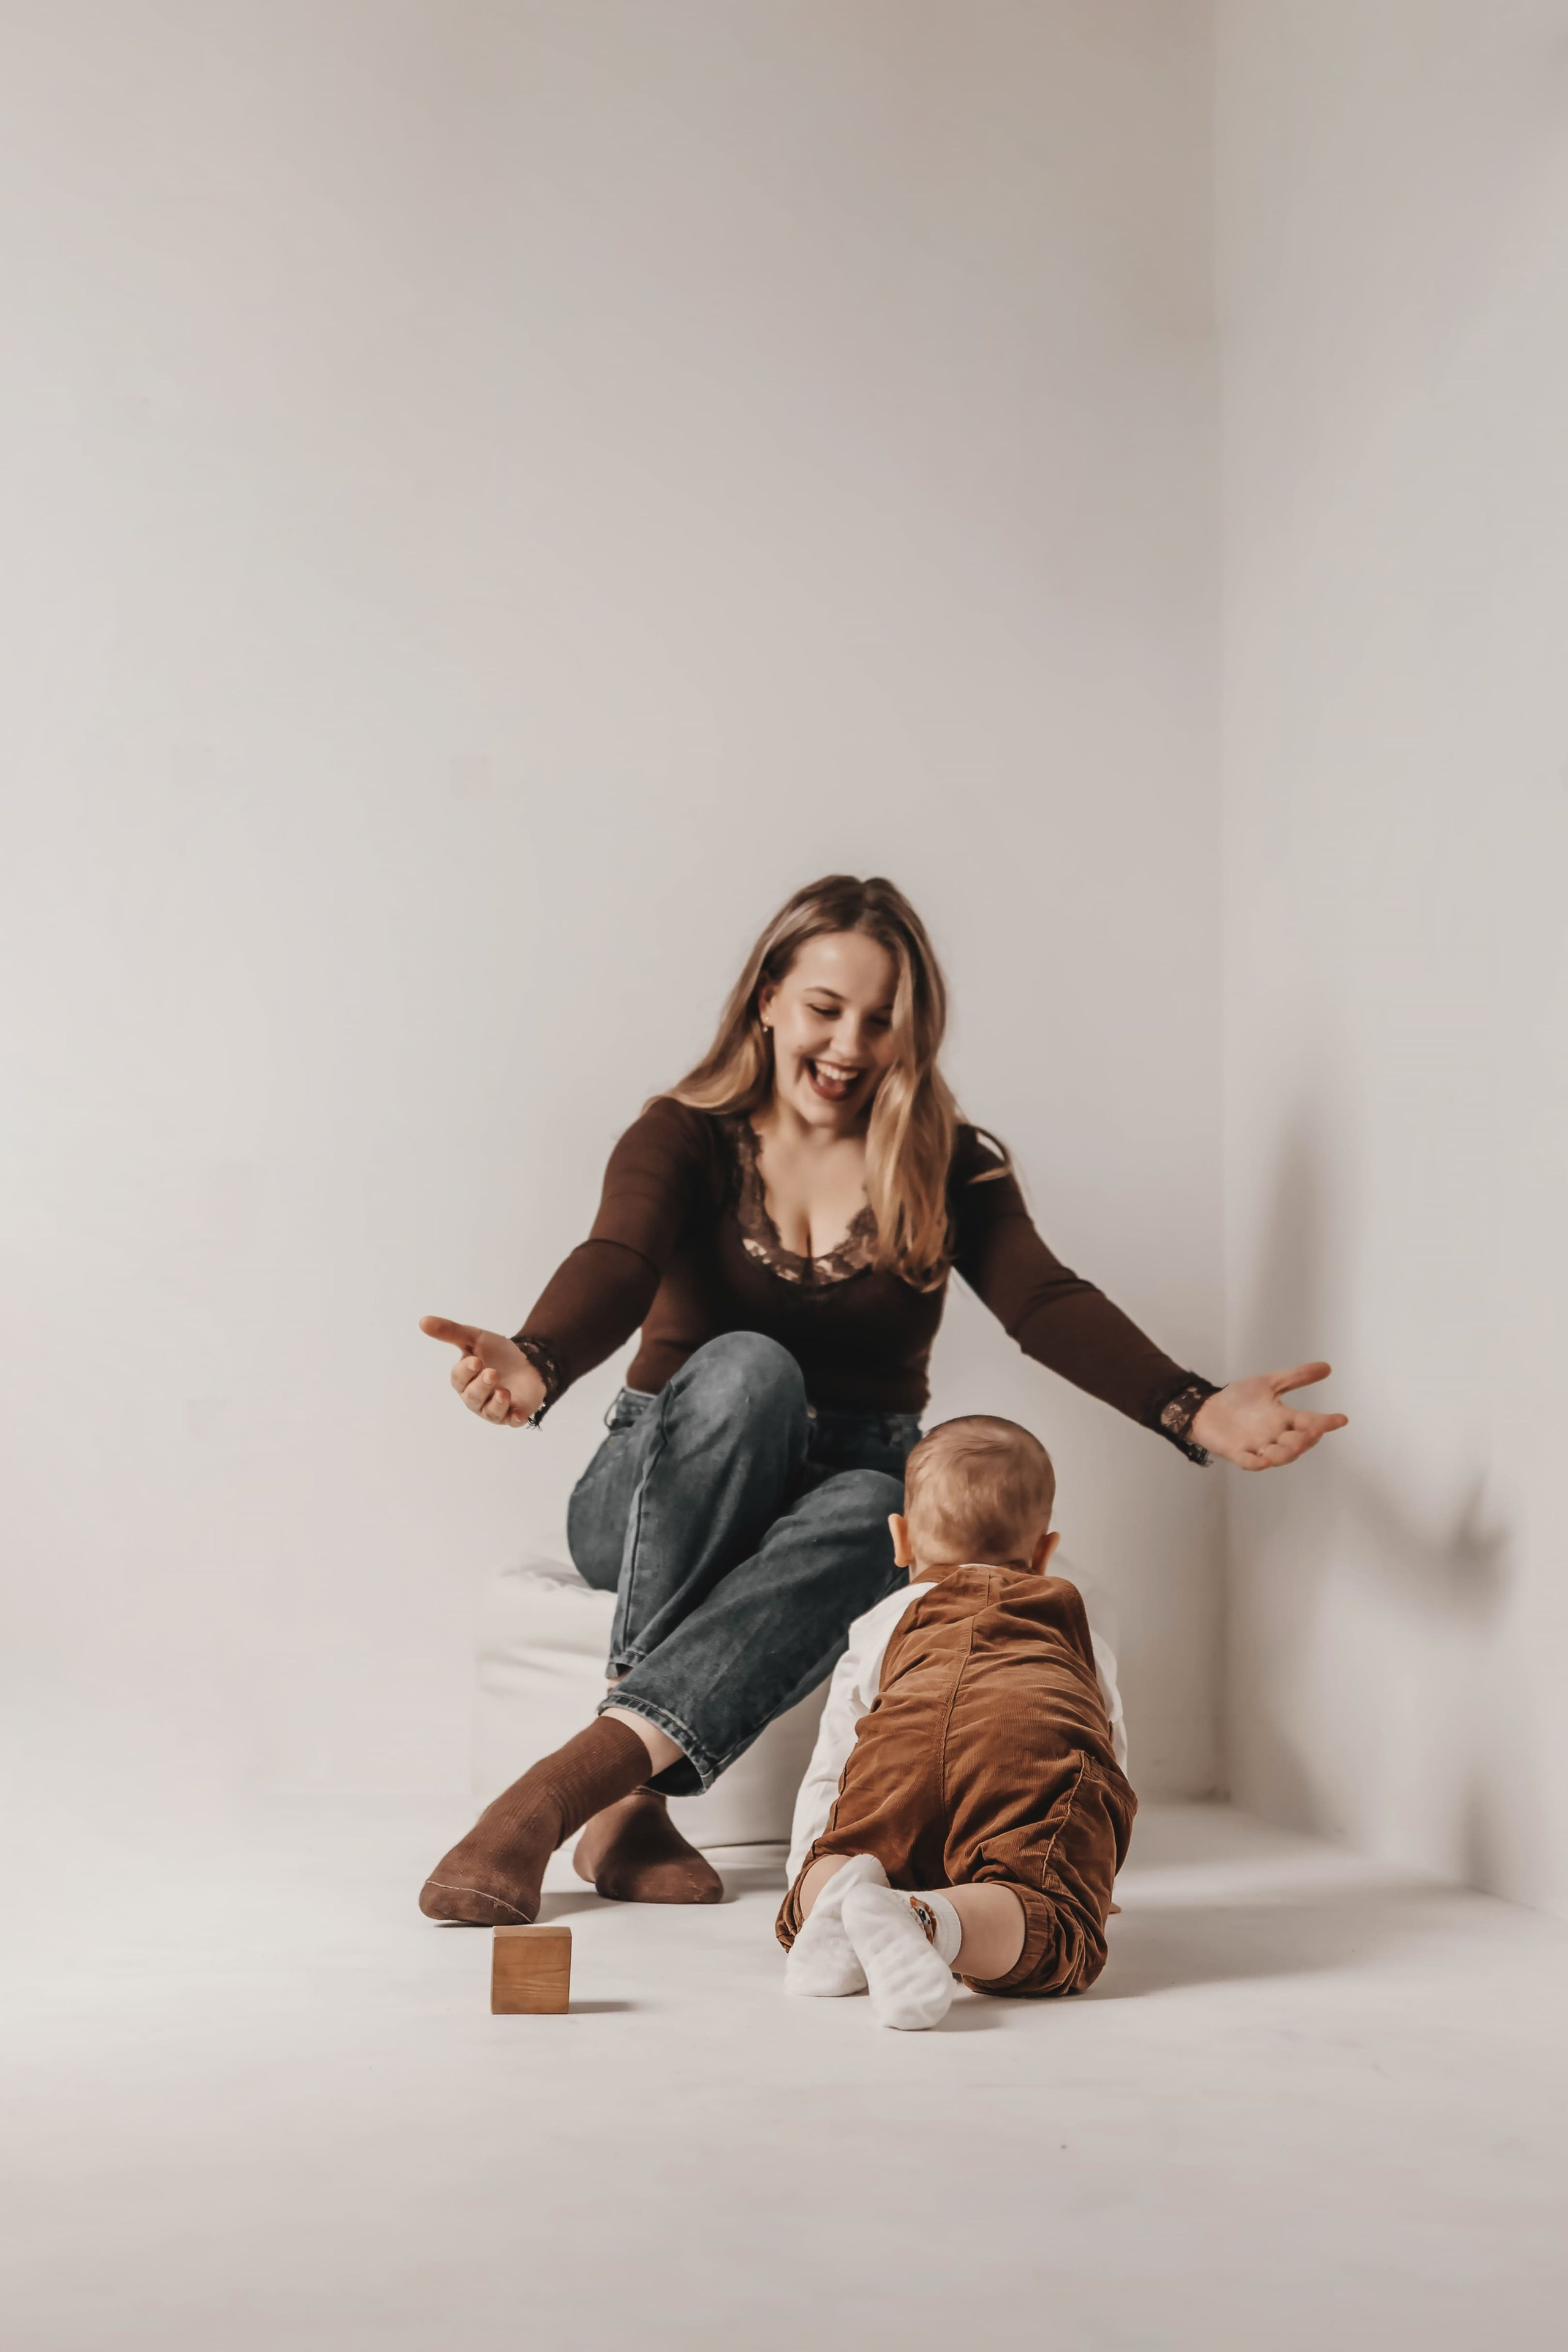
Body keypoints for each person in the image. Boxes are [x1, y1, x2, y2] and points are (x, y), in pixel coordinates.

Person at [417, 875, 1345, 1928]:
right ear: (768, 998)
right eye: (826, 1008)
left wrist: (1195, 1409)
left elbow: (1044, 1300)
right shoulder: (683, 1135)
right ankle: (628, 1805)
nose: (849, 1045)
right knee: (750, 1367)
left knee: (888, 1504)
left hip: (837, 1497)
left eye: (881, 1019)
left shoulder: (949, 1162)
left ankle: (565, 1793)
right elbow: (618, 1259)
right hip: (662, 1482)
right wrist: (539, 1357)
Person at [778, 1414, 1131, 2030]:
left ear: (901, 1539)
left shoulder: (886, 1620)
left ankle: (839, 1898)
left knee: (842, 1857)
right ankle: (928, 1923)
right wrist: (1087, 1872)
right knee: (1051, 1923)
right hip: (1025, 1748)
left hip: (899, 1756)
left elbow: (833, 1764)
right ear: (1045, 1552)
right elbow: (1105, 1755)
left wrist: (809, 1868)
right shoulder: (1072, 1620)